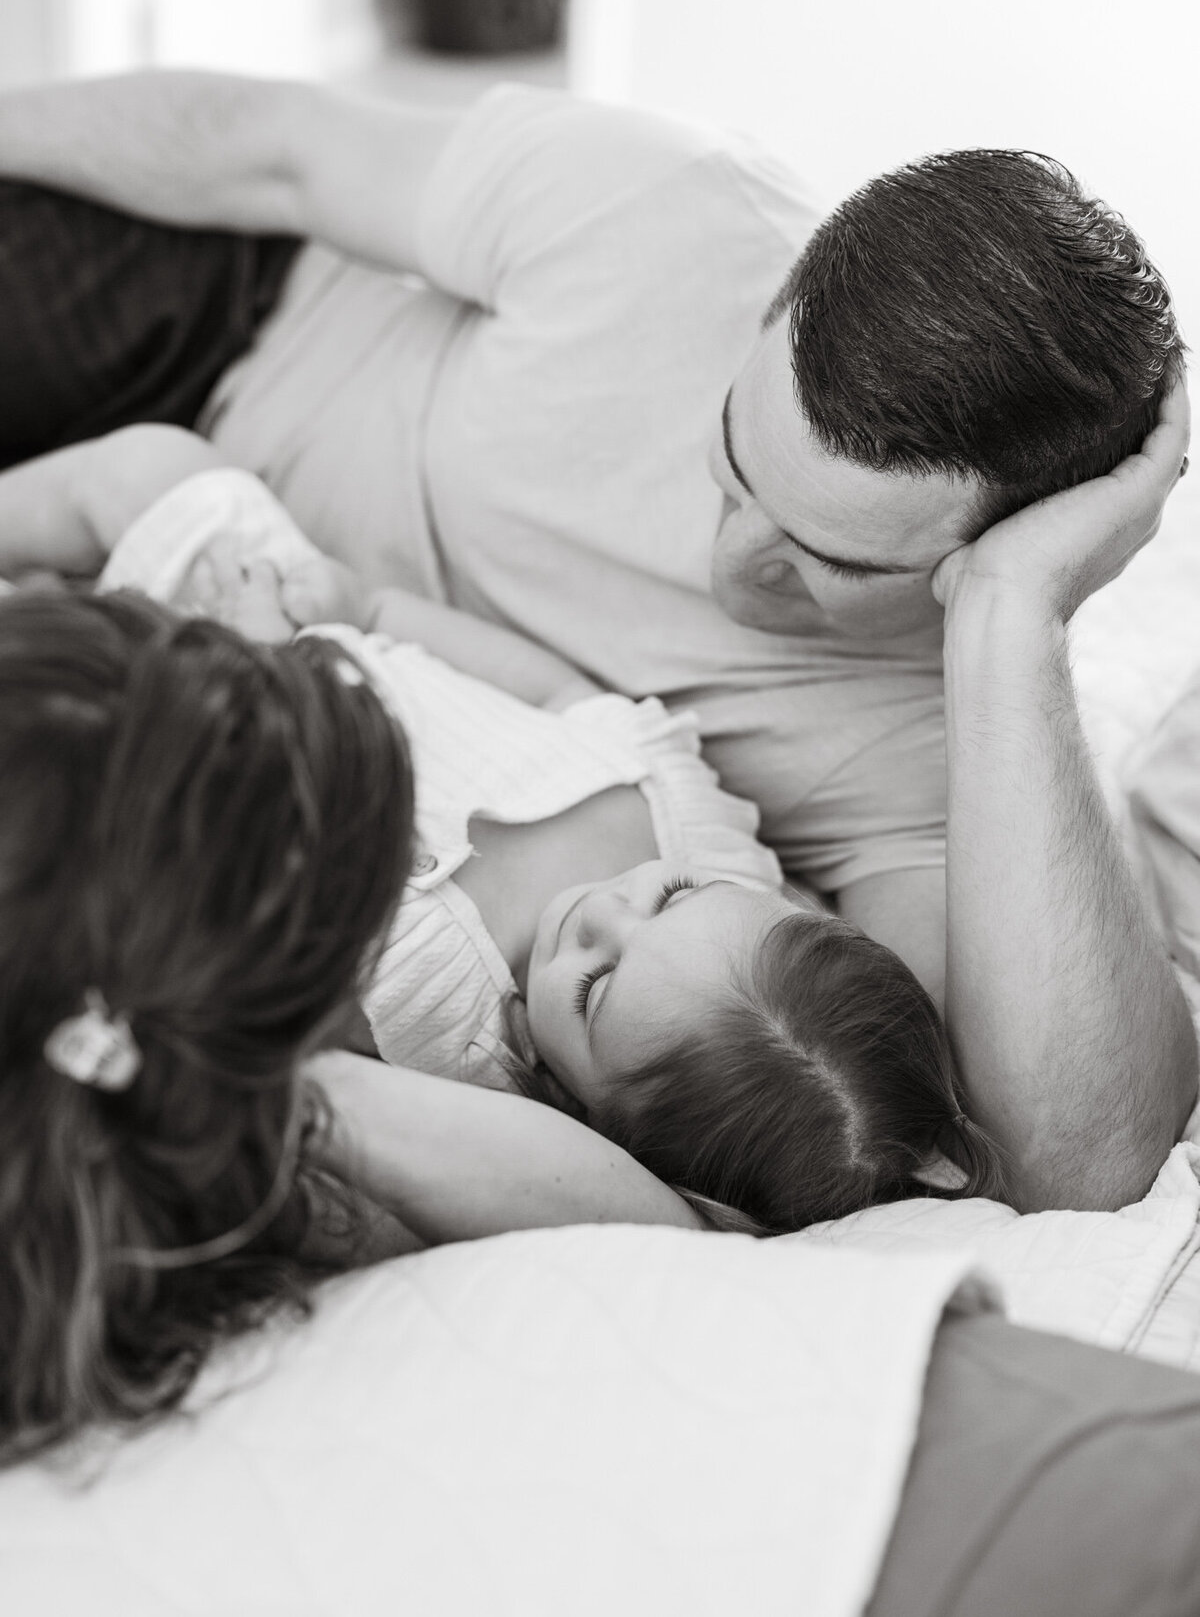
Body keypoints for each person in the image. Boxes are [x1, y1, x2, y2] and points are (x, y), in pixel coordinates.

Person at [0, 71, 1191, 1212]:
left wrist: (1013, 615)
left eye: (831, 565)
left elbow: (1082, 1160)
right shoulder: (673, 205)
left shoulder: (936, 761)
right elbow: (269, 149)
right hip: (227, 333)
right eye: (734, 467)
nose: (732, 570)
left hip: (176, 663)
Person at [0, 423, 1000, 1252]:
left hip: (210, 733)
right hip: (298, 620)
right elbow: (560, 694)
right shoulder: (702, 835)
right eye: (672, 898)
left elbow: (220, 881)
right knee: (153, 470)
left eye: (595, 986)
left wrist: (253, 663)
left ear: (574, 1098)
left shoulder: (445, 1048)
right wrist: (371, 607)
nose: (602, 911)